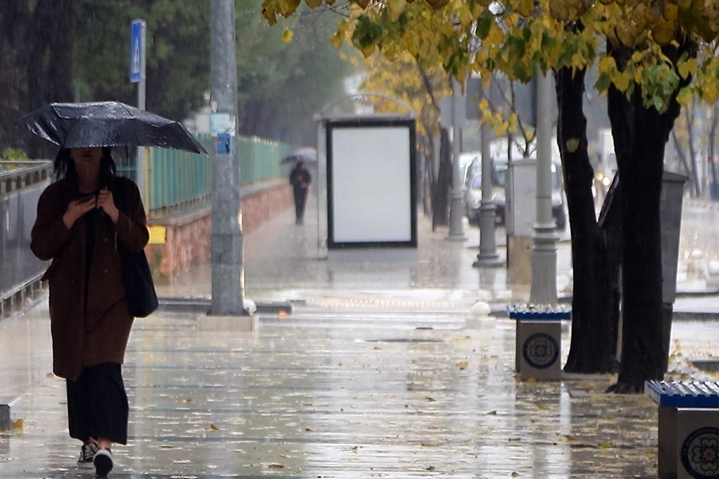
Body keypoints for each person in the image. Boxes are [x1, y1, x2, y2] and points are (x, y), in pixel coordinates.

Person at [30, 146, 149, 478]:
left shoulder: (124, 192)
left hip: (114, 301)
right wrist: (69, 217)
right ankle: (90, 440)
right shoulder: (56, 196)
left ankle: (106, 445)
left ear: (104, 150)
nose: (87, 150)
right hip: (70, 301)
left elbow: (139, 238)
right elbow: (40, 246)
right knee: (78, 368)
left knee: (107, 367)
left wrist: (113, 212)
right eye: (80, 144)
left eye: (94, 144)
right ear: (69, 151)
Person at [289, 160, 312, 225]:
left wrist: (305, 184)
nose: (303, 166)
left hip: (304, 191)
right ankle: (298, 217)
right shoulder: (294, 172)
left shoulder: (306, 172)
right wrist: (296, 179)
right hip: (296, 190)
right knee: (297, 203)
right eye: (302, 165)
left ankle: (301, 217)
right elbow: (291, 181)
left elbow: (309, 180)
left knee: (302, 203)